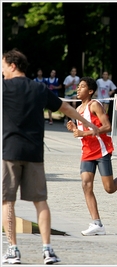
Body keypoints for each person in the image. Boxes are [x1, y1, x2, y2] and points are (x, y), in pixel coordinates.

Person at [2, 49, 99, 264]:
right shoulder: (38, 88)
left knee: (7, 201)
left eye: (2, 65)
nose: (2, 70)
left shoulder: (4, 87)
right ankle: (47, 250)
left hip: (9, 151)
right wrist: (91, 125)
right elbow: (65, 108)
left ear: (12, 65)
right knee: (40, 202)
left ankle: (13, 250)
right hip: (35, 152)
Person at [66, 77, 117, 236]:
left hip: (101, 150)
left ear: (90, 91)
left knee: (109, 188)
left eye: (82, 87)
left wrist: (83, 132)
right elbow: (82, 132)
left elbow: (107, 127)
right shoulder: (77, 110)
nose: (78, 89)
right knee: (86, 184)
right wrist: (75, 128)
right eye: (78, 87)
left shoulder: (94, 105)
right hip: (87, 151)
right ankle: (97, 224)